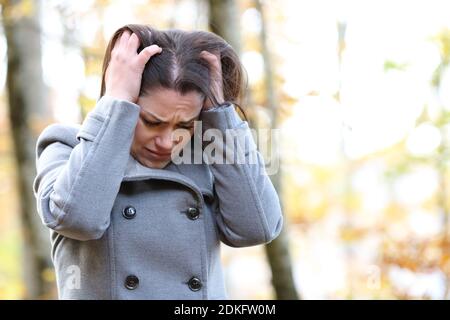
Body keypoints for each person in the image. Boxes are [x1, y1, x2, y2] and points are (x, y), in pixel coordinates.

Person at [33, 24, 283, 299]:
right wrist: (115, 101)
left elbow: (257, 228)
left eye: (185, 125)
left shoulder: (208, 154)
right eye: (152, 122)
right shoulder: (65, 145)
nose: (167, 142)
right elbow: (79, 219)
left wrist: (220, 117)